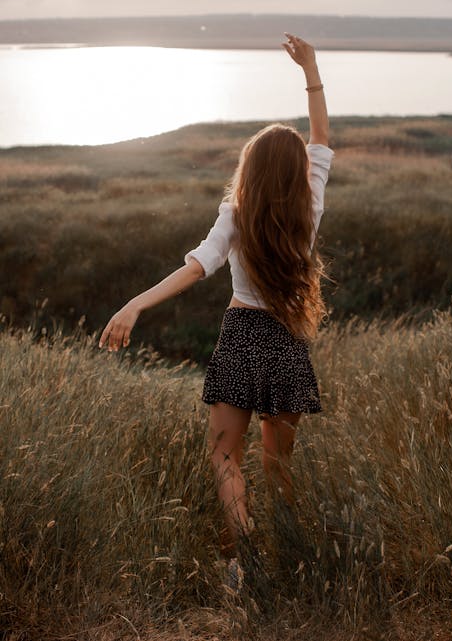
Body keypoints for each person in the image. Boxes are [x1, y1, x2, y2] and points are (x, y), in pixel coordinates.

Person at [99, 33, 334, 589]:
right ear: (297, 169)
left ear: (249, 169)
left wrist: (136, 303)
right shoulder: (311, 203)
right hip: (286, 341)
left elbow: (196, 267)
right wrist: (312, 70)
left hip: (242, 336)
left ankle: (239, 557)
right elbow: (322, 137)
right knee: (278, 465)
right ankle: (288, 560)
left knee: (225, 457)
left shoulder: (235, 213)